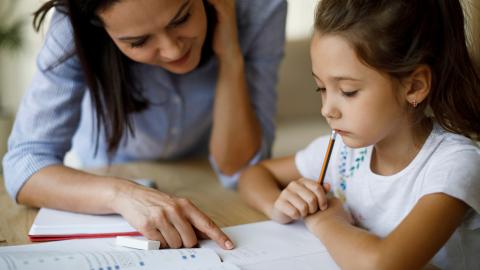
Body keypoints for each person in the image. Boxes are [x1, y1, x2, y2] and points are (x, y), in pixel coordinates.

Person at [3, 0, 287, 249]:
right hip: (107, 172)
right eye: (138, 42)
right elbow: (24, 165)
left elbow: (240, 168)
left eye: (182, 18)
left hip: (204, 176)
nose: (173, 51)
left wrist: (231, 54)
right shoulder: (71, 24)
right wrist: (121, 194)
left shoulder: (261, 8)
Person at [238, 0, 480, 269]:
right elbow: (253, 175)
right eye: (321, 88)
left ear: (414, 86)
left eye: (348, 91)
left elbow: (382, 264)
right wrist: (279, 206)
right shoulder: (344, 152)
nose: (327, 110)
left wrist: (324, 220)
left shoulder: (454, 166)